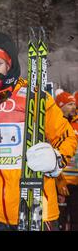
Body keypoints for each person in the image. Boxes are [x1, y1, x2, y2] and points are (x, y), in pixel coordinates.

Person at [0, 32, 77, 231]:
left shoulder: (34, 97)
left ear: (9, 64)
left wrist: (55, 160)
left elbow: (66, 137)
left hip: (35, 207)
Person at [54, 89, 78, 230]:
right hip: (59, 182)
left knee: (75, 219)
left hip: (75, 183)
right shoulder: (54, 124)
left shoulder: (76, 124)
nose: (73, 107)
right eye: (69, 104)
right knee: (60, 220)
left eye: (74, 104)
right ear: (60, 106)